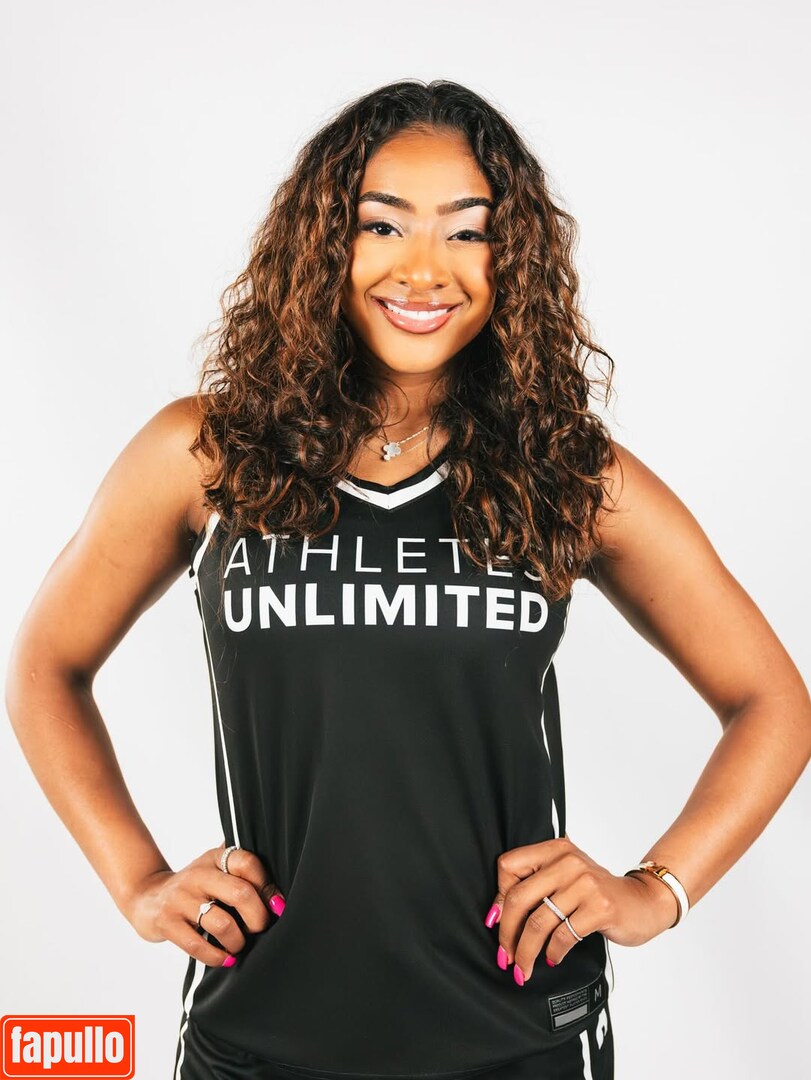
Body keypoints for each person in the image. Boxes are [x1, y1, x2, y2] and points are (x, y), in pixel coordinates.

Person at [5, 78, 810, 1080]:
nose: (424, 269)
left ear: (511, 260)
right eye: (381, 225)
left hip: (518, 1036)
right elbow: (44, 666)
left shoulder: (565, 471)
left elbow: (770, 701)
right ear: (322, 243)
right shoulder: (208, 453)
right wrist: (137, 883)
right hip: (260, 1035)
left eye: (467, 233)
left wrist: (655, 890)